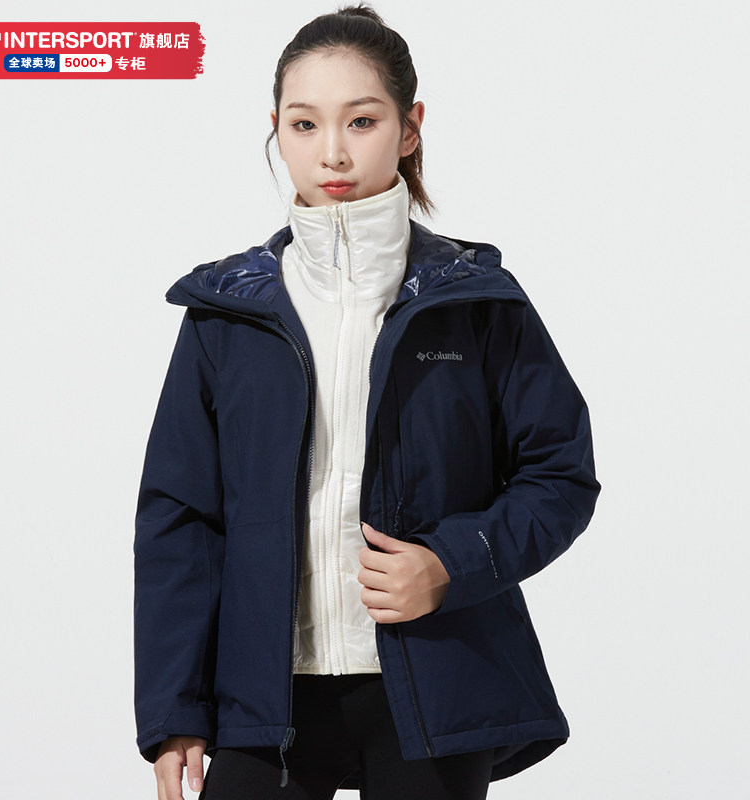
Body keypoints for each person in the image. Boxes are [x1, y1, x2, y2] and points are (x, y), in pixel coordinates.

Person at [133, 4, 601, 799]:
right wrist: (175, 705)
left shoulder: (474, 302)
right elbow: (180, 518)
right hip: (265, 697)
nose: (333, 151)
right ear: (276, 131)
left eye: (362, 120)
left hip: (435, 680)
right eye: (304, 124)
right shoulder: (226, 315)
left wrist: (449, 565)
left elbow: (559, 475)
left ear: (409, 128)